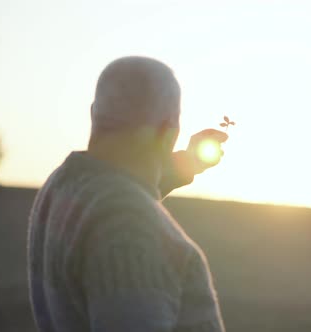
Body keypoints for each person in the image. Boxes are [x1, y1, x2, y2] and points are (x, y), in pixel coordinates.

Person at [27, 56, 227, 332]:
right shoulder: (132, 231)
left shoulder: (65, 184)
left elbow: (122, 188)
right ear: (170, 131)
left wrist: (188, 163)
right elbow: (125, 211)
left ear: (93, 113)